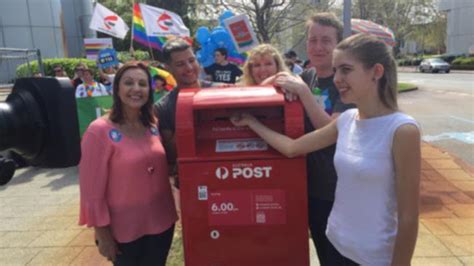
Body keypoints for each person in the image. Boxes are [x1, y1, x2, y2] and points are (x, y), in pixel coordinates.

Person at [231, 33, 421, 265]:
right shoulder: (346, 120)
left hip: (373, 256)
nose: (337, 78)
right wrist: (253, 122)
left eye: (346, 70)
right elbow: (292, 148)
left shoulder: (402, 130)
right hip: (335, 243)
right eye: (336, 70)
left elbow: (409, 217)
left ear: (376, 72)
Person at [264, 13, 355, 265]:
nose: (318, 47)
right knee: (325, 255)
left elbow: (334, 132)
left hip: (339, 190)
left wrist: (302, 93)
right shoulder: (307, 76)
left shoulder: (347, 82)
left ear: (339, 43)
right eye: (313, 40)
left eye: (326, 40)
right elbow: (264, 87)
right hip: (309, 187)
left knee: (341, 258)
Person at [79, 62, 178, 265]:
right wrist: (102, 232)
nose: (136, 89)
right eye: (129, 82)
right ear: (117, 88)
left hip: (162, 222)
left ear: (149, 90)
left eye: (142, 83)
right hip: (124, 230)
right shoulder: (98, 131)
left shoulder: (153, 125)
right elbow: (91, 190)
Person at [155, 38, 214, 183]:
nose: (189, 67)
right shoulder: (162, 108)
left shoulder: (220, 91)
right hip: (191, 182)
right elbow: (171, 155)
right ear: (168, 68)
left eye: (191, 60)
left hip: (227, 174)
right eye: (180, 64)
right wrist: (187, 115)